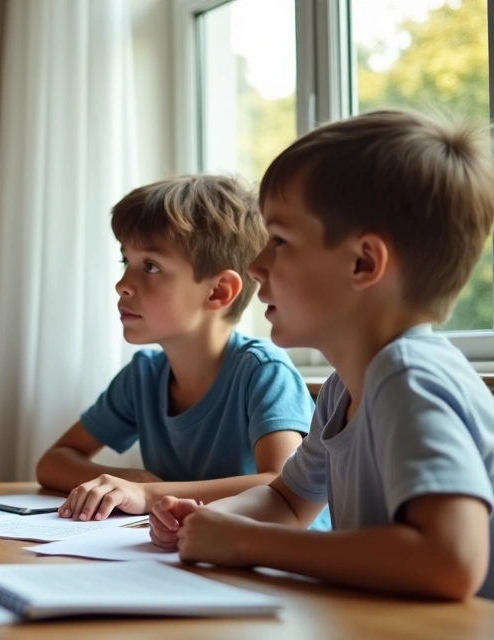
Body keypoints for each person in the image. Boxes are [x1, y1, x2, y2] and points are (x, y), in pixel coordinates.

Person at [150, 110, 494, 601]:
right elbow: (286, 500)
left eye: (280, 241)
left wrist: (246, 541)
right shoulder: (343, 388)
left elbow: (451, 562)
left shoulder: (410, 379)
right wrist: (209, 519)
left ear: (363, 262)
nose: (255, 264)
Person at [35, 175, 322, 528]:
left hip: (280, 566)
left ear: (218, 291)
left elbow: (281, 484)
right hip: (193, 554)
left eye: (151, 266)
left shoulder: (263, 371)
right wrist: (135, 480)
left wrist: (149, 495)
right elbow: (53, 462)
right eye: (126, 262)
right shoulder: (145, 375)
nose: (122, 285)